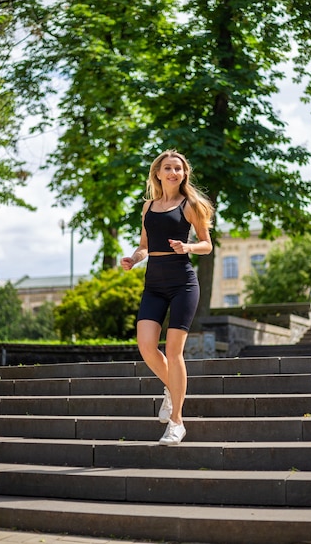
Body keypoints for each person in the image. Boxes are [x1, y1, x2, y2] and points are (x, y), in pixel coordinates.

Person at [121, 150, 214, 446]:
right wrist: (134, 258)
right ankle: (170, 387)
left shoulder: (191, 205)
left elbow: (207, 245)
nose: (173, 172)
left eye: (178, 168)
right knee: (146, 347)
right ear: (158, 174)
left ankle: (177, 422)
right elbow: (145, 245)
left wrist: (187, 248)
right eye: (168, 168)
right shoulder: (148, 206)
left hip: (183, 283)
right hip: (154, 283)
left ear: (184, 174)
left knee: (174, 352)